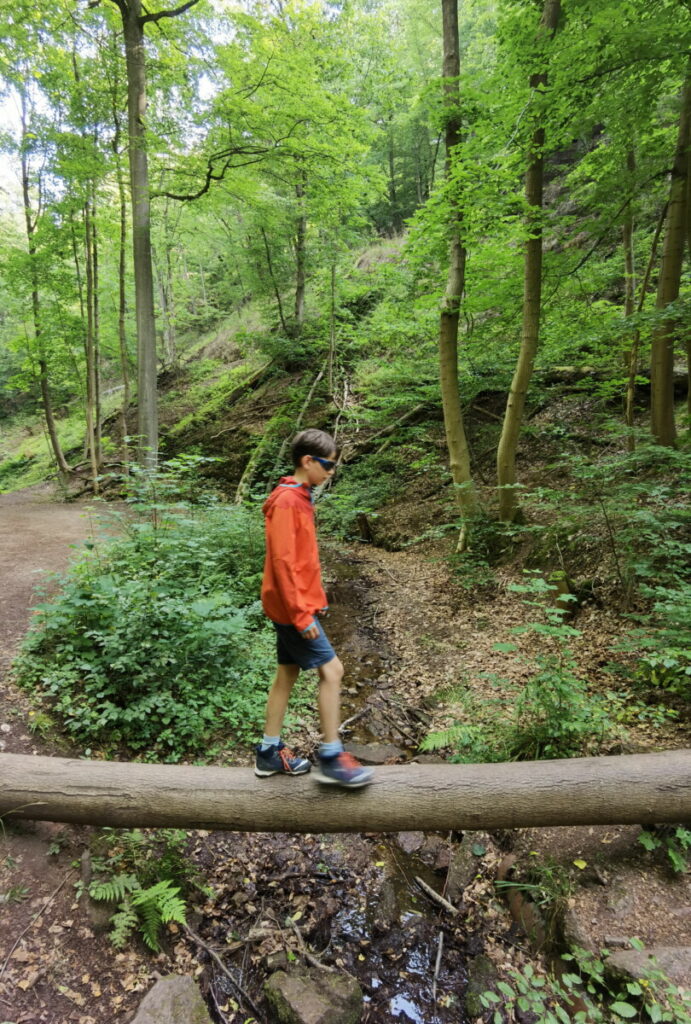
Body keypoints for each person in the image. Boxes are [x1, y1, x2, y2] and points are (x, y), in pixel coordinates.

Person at [255, 428, 374, 788]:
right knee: (333, 672)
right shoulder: (288, 501)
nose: (331, 472)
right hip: (291, 610)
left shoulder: (299, 497)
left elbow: (304, 560)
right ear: (308, 462)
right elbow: (283, 562)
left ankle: (268, 752)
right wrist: (301, 613)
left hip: (291, 606)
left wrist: (314, 599)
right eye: (328, 465)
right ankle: (332, 757)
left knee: (286, 675)